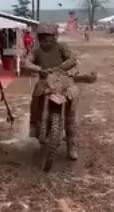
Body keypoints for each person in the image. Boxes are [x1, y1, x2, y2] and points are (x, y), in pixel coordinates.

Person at [23, 22, 79, 160]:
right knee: (35, 99)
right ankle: (34, 124)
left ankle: (71, 147)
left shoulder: (62, 47)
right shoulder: (36, 50)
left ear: (54, 36)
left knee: (71, 113)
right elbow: (26, 62)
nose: (45, 40)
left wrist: (60, 67)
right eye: (42, 36)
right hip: (44, 81)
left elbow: (73, 58)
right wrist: (39, 69)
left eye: (48, 36)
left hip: (62, 80)